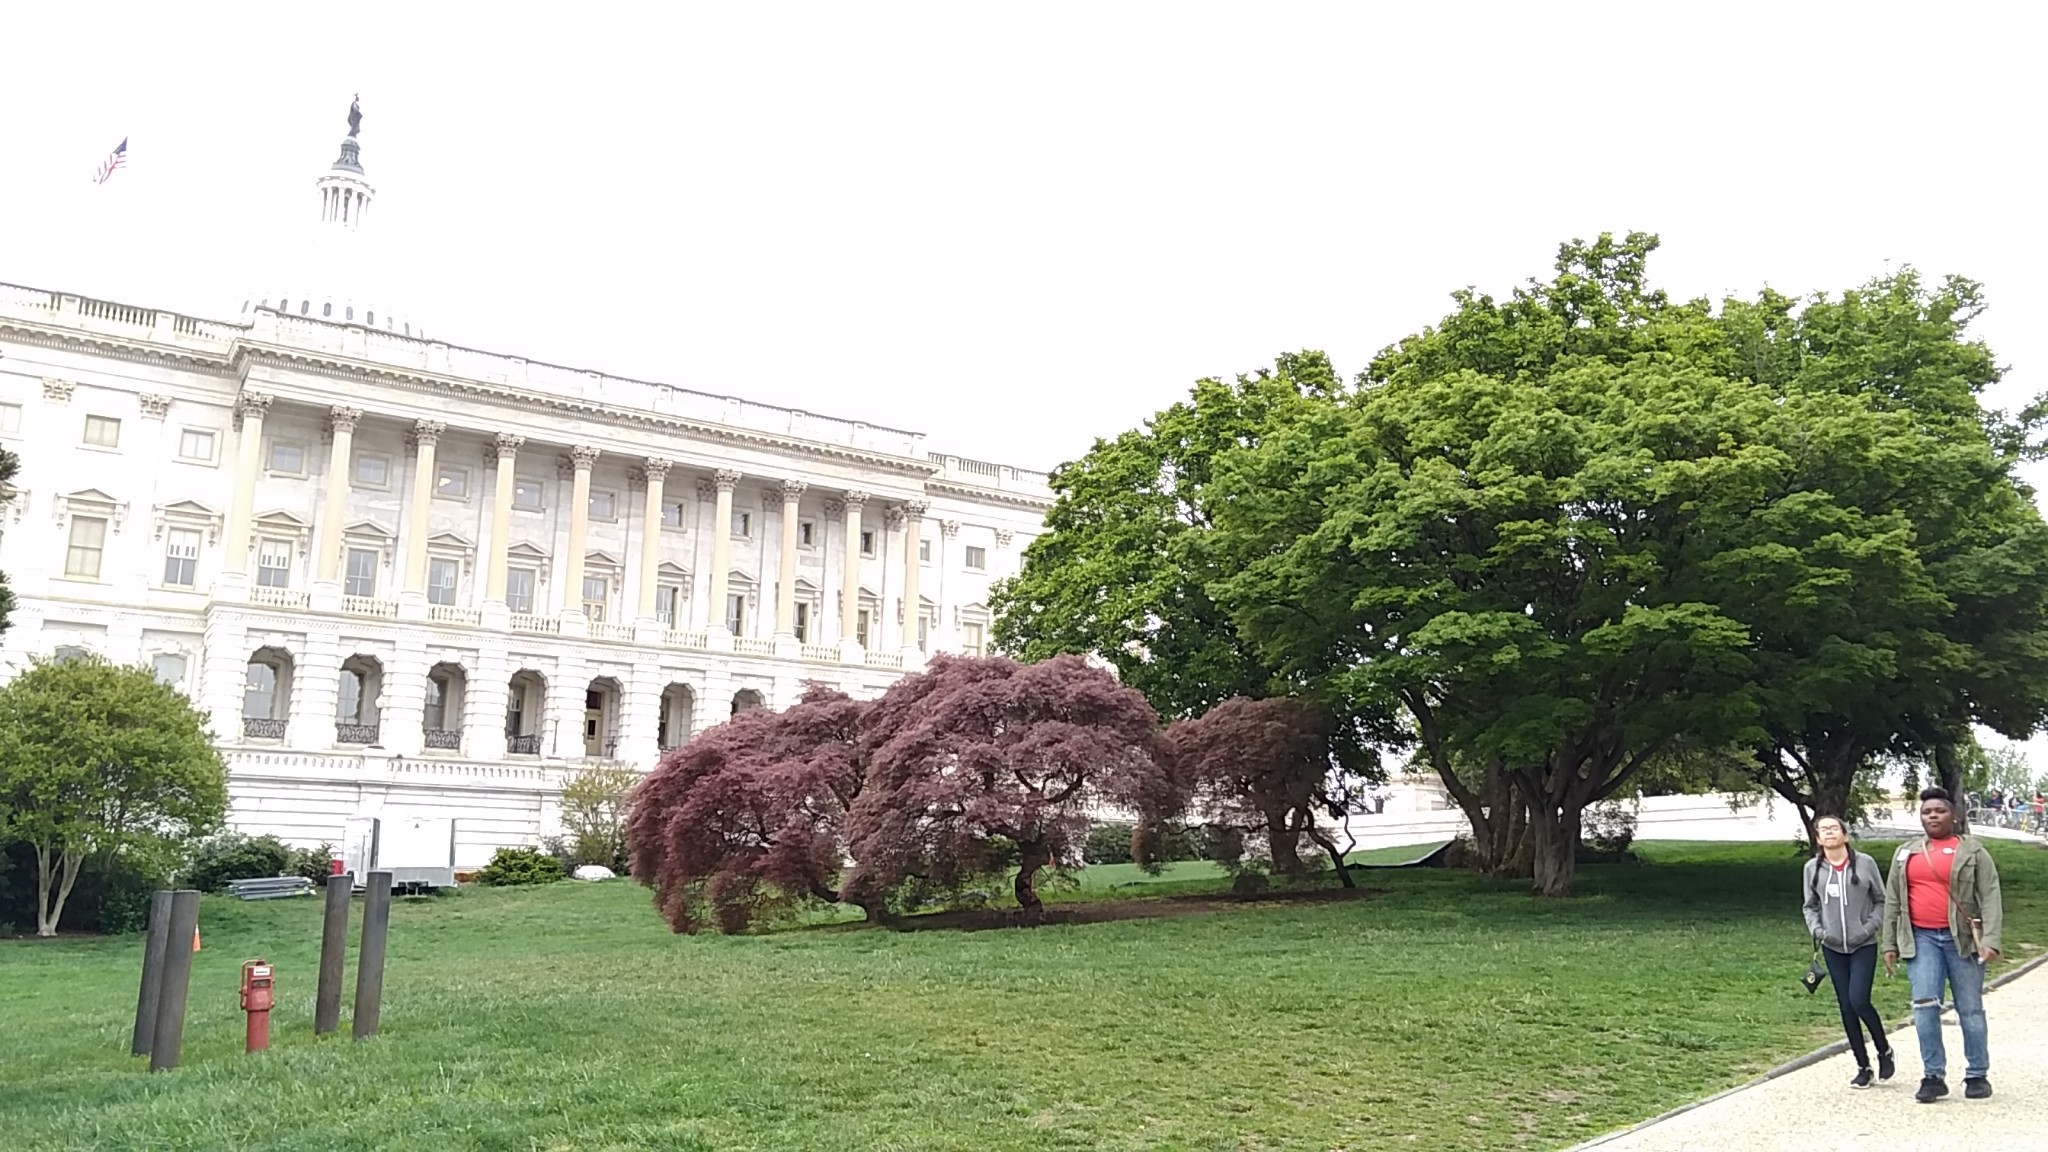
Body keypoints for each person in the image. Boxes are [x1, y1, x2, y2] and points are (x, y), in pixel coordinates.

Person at [1881, 787, 2004, 1103]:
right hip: (1921, 939)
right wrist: (1889, 944)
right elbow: (1893, 899)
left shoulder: (1973, 852)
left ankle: (1977, 1074)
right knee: (1923, 1007)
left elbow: (1989, 896)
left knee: (1970, 1009)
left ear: (1955, 816)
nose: (1932, 816)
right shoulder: (1905, 853)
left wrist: (1989, 940)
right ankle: (1933, 1076)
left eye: (1939, 811)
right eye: (1926, 812)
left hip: (1960, 941)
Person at [1802, 815, 1894, 1088]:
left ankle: (1884, 1049)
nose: (1829, 833)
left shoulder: (1864, 864)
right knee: (1846, 1006)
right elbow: (1810, 905)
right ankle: (1862, 1066)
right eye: (1823, 830)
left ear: (1844, 834)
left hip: (1863, 944)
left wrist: (1869, 927)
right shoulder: (1812, 868)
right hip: (1833, 946)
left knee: (1859, 1000)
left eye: (1834, 828)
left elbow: (1881, 899)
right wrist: (1818, 931)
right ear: (1818, 838)